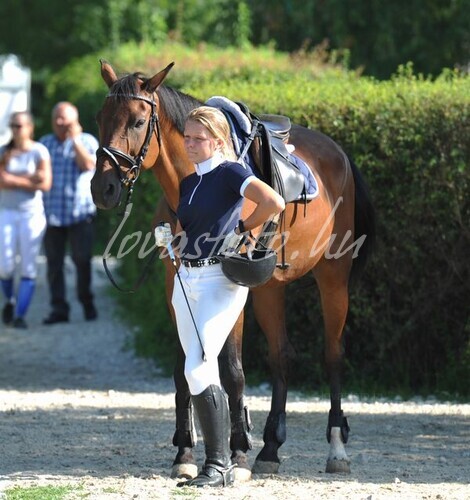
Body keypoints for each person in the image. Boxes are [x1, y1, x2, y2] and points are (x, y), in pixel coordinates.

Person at [155, 106, 285, 488]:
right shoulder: (189, 182)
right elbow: (187, 229)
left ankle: (217, 464)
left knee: (199, 367)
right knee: (196, 369)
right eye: (187, 137)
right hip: (187, 280)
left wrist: (243, 228)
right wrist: (173, 242)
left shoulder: (231, 173)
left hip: (220, 280)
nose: (190, 144)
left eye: (198, 138)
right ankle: (218, 464)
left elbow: (273, 202)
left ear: (217, 140)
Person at [39, 102, 99, 324]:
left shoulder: (88, 141)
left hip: (80, 214)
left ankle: (87, 302)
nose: (58, 122)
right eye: (56, 118)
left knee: (82, 260)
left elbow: (88, 166)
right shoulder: (44, 143)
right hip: (51, 215)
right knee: (54, 265)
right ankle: (59, 309)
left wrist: (75, 141)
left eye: (63, 118)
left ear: (75, 121)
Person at [0, 111, 52, 329]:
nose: (15, 130)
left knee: (28, 266)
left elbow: (45, 183)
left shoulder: (39, 151)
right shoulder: (4, 151)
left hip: (31, 214)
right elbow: (1, 181)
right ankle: (10, 301)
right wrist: (30, 179)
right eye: (13, 125)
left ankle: (20, 315)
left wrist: (13, 180)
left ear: (30, 128)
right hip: (7, 212)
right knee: (5, 265)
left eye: (19, 126)